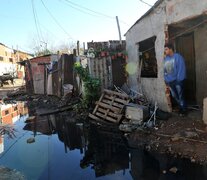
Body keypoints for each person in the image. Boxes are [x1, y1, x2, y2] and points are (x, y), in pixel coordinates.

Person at [164, 43, 187, 116]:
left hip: (178, 81)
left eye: (166, 49)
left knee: (180, 96)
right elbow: (165, 70)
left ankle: (183, 110)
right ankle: (181, 107)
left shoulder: (178, 57)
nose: (165, 51)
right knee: (174, 96)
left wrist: (179, 80)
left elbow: (181, 69)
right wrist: (166, 79)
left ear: (171, 49)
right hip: (170, 81)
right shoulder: (166, 59)